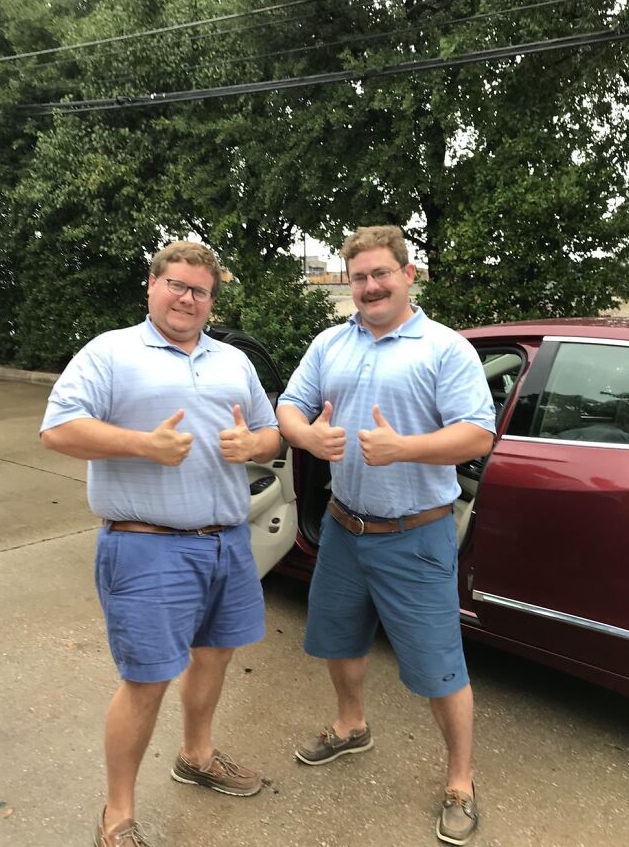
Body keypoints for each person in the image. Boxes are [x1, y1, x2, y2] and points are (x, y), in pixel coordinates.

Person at [40, 240, 280, 847]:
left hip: (227, 541)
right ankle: (116, 814)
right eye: (176, 284)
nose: (187, 298)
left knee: (216, 654)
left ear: (211, 300)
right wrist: (143, 445)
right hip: (146, 545)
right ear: (151, 285)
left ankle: (195, 756)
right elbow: (59, 430)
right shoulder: (111, 352)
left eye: (200, 290)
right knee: (146, 680)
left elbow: (271, 431)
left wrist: (254, 446)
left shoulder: (233, 361)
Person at [276, 225, 495, 846]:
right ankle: (351, 727)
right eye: (359, 277)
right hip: (344, 527)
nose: (370, 286)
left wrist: (406, 448)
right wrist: (307, 437)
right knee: (337, 640)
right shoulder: (329, 343)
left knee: (438, 667)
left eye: (381, 274)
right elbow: (290, 406)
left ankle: (460, 781)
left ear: (408, 274)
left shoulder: (443, 349)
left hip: (416, 535)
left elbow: (478, 435)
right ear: (349, 284)